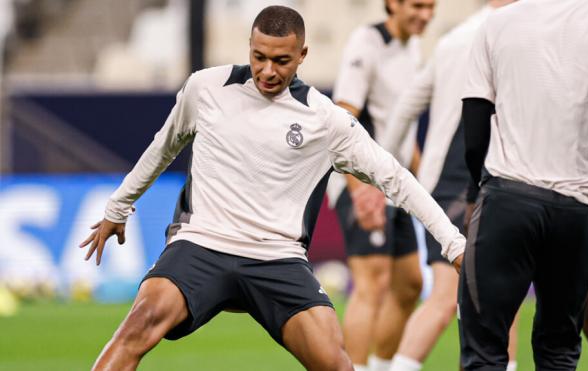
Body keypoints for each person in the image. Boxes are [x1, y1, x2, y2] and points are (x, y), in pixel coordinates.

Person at [78, 5, 466, 371]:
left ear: (302, 55)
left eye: (280, 60)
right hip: (201, 245)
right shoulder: (206, 87)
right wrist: (118, 207)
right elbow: (162, 148)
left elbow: (396, 179)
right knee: (137, 326)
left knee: (335, 362)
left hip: (278, 259)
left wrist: (453, 244)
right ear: (249, 46)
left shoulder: (325, 119)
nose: (267, 70)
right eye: (259, 56)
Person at [459, 0, 588, 369]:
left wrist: (477, 188)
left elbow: (475, 121)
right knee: (559, 351)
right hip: (576, 211)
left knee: (484, 352)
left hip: (507, 199)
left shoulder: (495, 24)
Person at [379, 2, 517, 370]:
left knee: (477, 299)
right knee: (461, 300)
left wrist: (382, 175)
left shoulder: (453, 40)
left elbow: (407, 107)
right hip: (489, 181)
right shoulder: (518, 33)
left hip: (443, 183)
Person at [328, 1, 435, 369]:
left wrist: (428, 185)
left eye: (431, 6)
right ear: (393, 4)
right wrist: (359, 191)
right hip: (363, 184)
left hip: (396, 185)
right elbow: (342, 116)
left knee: (409, 285)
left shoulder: (414, 48)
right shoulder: (367, 41)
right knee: (371, 283)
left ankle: (381, 366)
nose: (425, 14)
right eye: (417, 6)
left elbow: (402, 133)